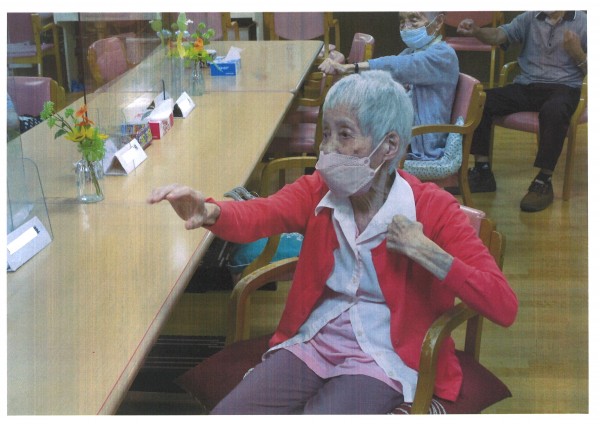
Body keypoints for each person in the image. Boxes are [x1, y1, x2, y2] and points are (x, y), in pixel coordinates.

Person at [147, 70, 518, 414]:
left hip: (384, 355)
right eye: (326, 133)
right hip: (315, 338)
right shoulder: (319, 191)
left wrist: (427, 252)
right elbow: (263, 213)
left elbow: (503, 305)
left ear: (389, 145)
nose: (327, 149)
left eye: (345, 135)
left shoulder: (433, 208)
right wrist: (210, 211)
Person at [456, 11, 587, 212]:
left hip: (565, 87)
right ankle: (482, 171)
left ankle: (544, 180)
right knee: (480, 100)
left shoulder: (585, 22)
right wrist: (477, 31)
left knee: (554, 111)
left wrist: (578, 53)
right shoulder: (529, 18)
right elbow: (499, 35)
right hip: (527, 85)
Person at [319, 11, 459, 162]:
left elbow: (397, 66)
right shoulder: (411, 52)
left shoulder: (443, 55)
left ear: (438, 22)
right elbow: (383, 80)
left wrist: (350, 68)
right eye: (402, 21)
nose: (406, 27)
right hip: (403, 134)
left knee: (354, 143)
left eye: (414, 20)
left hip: (420, 144)